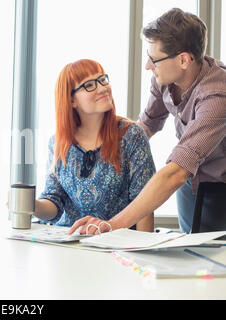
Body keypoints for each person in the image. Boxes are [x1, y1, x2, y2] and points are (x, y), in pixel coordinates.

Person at [70, 8, 226, 235]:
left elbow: (176, 171)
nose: (147, 66)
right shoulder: (165, 76)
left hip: (219, 185)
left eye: (154, 59)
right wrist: (102, 157)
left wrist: (111, 225)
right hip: (190, 181)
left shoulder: (217, 96)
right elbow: (146, 125)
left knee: (212, 259)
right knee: (189, 250)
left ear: (184, 60)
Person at [28, 59, 155, 232]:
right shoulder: (58, 142)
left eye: (102, 80)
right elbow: (54, 202)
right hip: (69, 243)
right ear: (71, 100)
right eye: (89, 85)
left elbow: (145, 204)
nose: (103, 88)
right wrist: (30, 205)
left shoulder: (131, 135)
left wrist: (142, 251)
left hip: (117, 244)